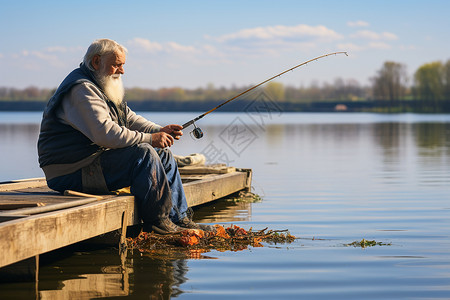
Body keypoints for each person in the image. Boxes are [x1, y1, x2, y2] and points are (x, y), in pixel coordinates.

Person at [38, 38, 214, 234]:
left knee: (161, 153)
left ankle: (179, 219)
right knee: (144, 153)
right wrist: (149, 139)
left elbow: (128, 118)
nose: (122, 71)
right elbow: (105, 134)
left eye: (122, 65)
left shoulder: (99, 84)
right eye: (117, 65)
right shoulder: (81, 90)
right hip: (70, 173)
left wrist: (159, 131)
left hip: (90, 163)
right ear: (96, 62)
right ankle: (159, 223)